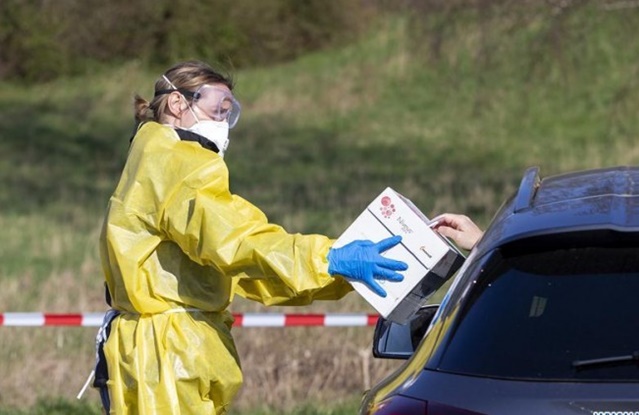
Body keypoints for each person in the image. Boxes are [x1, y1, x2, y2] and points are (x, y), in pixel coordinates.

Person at [91, 60, 407, 415]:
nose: (223, 124)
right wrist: (328, 259)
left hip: (155, 351)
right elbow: (240, 242)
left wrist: (335, 276)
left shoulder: (151, 157)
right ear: (178, 104)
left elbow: (243, 269)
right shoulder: (180, 163)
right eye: (216, 109)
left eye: (229, 113)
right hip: (170, 355)